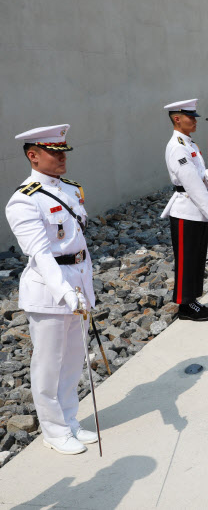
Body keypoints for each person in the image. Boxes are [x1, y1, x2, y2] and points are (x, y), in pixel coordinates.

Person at [5, 124, 99, 455]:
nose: (61, 158)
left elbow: (80, 242)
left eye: (63, 152)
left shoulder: (71, 190)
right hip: (48, 292)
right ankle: (53, 430)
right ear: (33, 156)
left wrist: (84, 286)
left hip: (78, 282)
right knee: (49, 363)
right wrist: (65, 292)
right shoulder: (23, 201)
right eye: (53, 153)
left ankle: (70, 421)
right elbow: (41, 255)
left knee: (73, 359)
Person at [161, 99, 208, 321]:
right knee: (187, 259)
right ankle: (184, 305)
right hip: (186, 208)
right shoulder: (177, 146)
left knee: (196, 256)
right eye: (190, 117)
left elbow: (198, 174)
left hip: (195, 209)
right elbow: (191, 184)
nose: (194, 120)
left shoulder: (190, 144)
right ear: (177, 119)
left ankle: (192, 299)